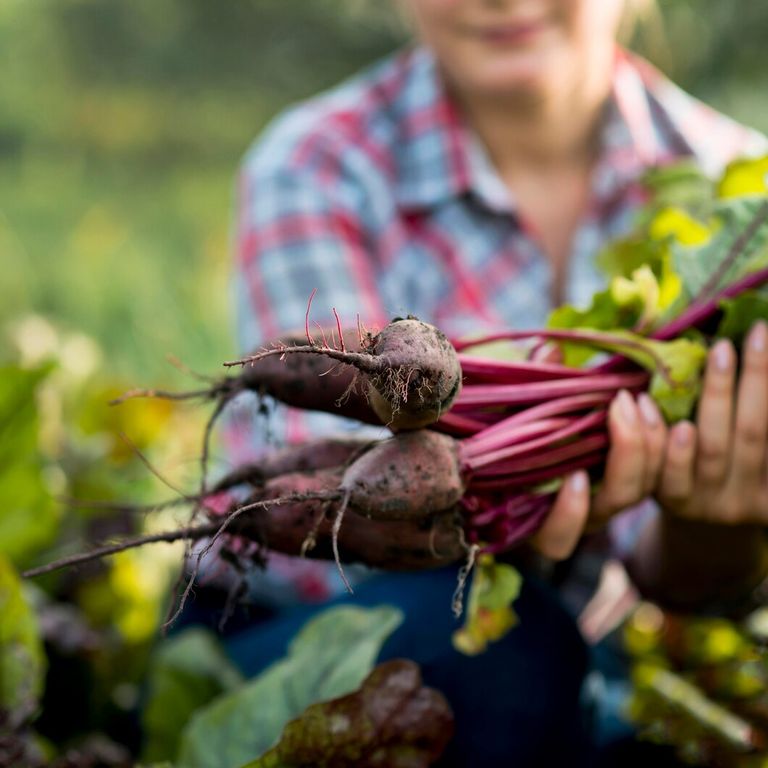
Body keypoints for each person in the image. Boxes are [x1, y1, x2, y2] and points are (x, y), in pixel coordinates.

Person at [223, 1, 768, 763]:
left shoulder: (734, 192)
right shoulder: (317, 163)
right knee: (508, 661)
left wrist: (715, 531)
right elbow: (348, 511)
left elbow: (680, 580)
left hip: (579, 653)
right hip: (291, 636)